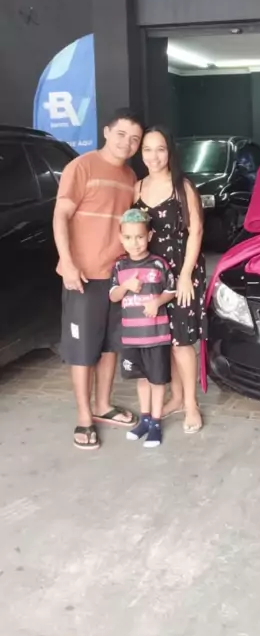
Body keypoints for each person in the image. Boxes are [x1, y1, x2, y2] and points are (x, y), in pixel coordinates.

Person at [53, 108, 144, 450]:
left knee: (109, 346)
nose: (127, 143)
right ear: (106, 132)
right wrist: (67, 262)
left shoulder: (130, 177)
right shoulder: (82, 167)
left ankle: (103, 406)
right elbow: (61, 216)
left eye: (134, 139)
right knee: (82, 350)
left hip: (117, 277)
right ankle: (84, 417)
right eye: (121, 134)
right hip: (84, 277)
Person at [134, 125, 206, 434]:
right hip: (153, 274)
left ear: (170, 152)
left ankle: (191, 405)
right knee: (164, 341)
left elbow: (196, 231)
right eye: (147, 149)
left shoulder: (182, 186)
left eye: (160, 149)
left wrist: (186, 275)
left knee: (181, 342)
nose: (154, 156)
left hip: (181, 271)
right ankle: (175, 398)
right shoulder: (137, 188)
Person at [110, 208, 176, 448]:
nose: (134, 243)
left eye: (139, 237)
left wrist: (157, 302)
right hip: (132, 337)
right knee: (141, 378)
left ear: (149, 236)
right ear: (121, 238)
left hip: (156, 335)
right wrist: (126, 285)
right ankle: (145, 419)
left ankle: (156, 422)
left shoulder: (158, 264)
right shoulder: (120, 267)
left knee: (157, 380)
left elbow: (171, 290)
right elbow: (114, 296)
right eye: (128, 237)